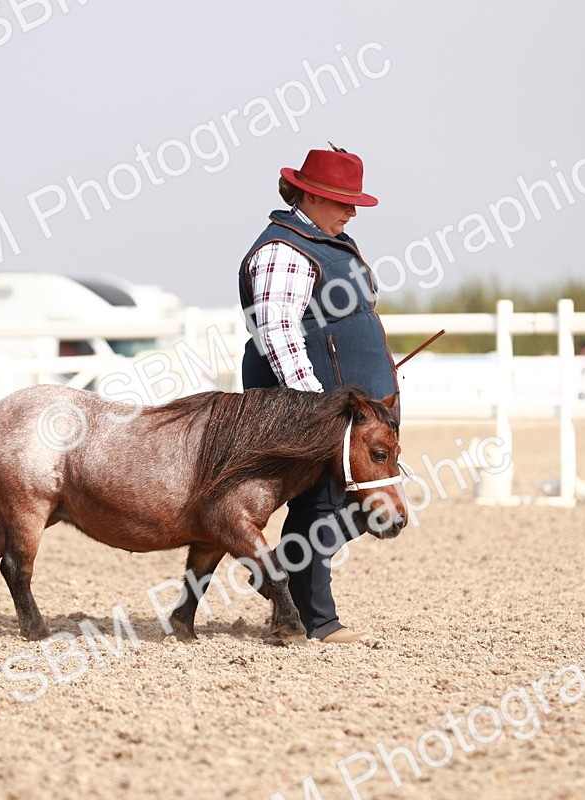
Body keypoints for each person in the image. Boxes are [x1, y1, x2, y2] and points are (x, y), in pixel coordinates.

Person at [238, 145, 400, 644]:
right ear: (309, 196)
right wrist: (314, 408)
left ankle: (281, 574)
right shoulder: (284, 250)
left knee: (362, 500)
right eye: (344, 202)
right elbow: (278, 330)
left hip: (352, 407)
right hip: (320, 404)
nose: (352, 212)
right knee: (321, 504)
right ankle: (316, 620)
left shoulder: (329, 243)